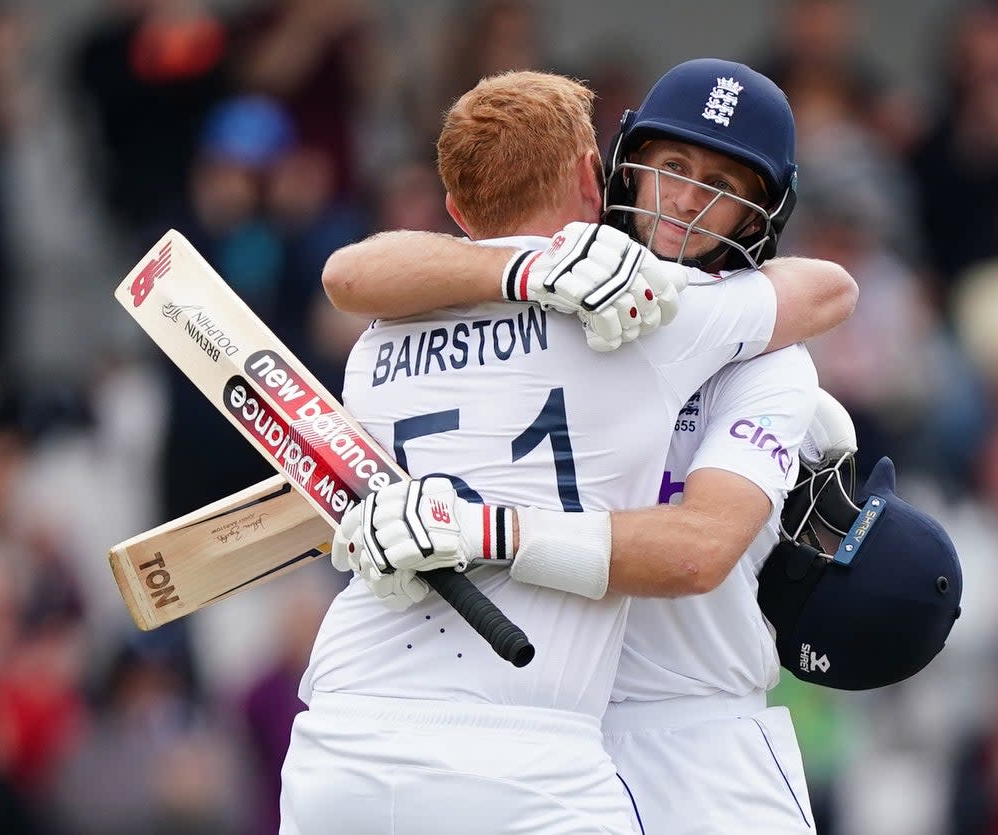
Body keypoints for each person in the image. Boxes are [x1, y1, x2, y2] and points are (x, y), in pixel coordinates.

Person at [282, 69, 857, 835]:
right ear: (606, 172)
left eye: (720, 184)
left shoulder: (386, 331)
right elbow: (831, 289)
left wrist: (482, 528)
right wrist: (529, 270)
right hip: (537, 733)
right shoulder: (645, 321)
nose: (685, 200)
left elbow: (349, 275)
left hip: (687, 731)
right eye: (671, 168)